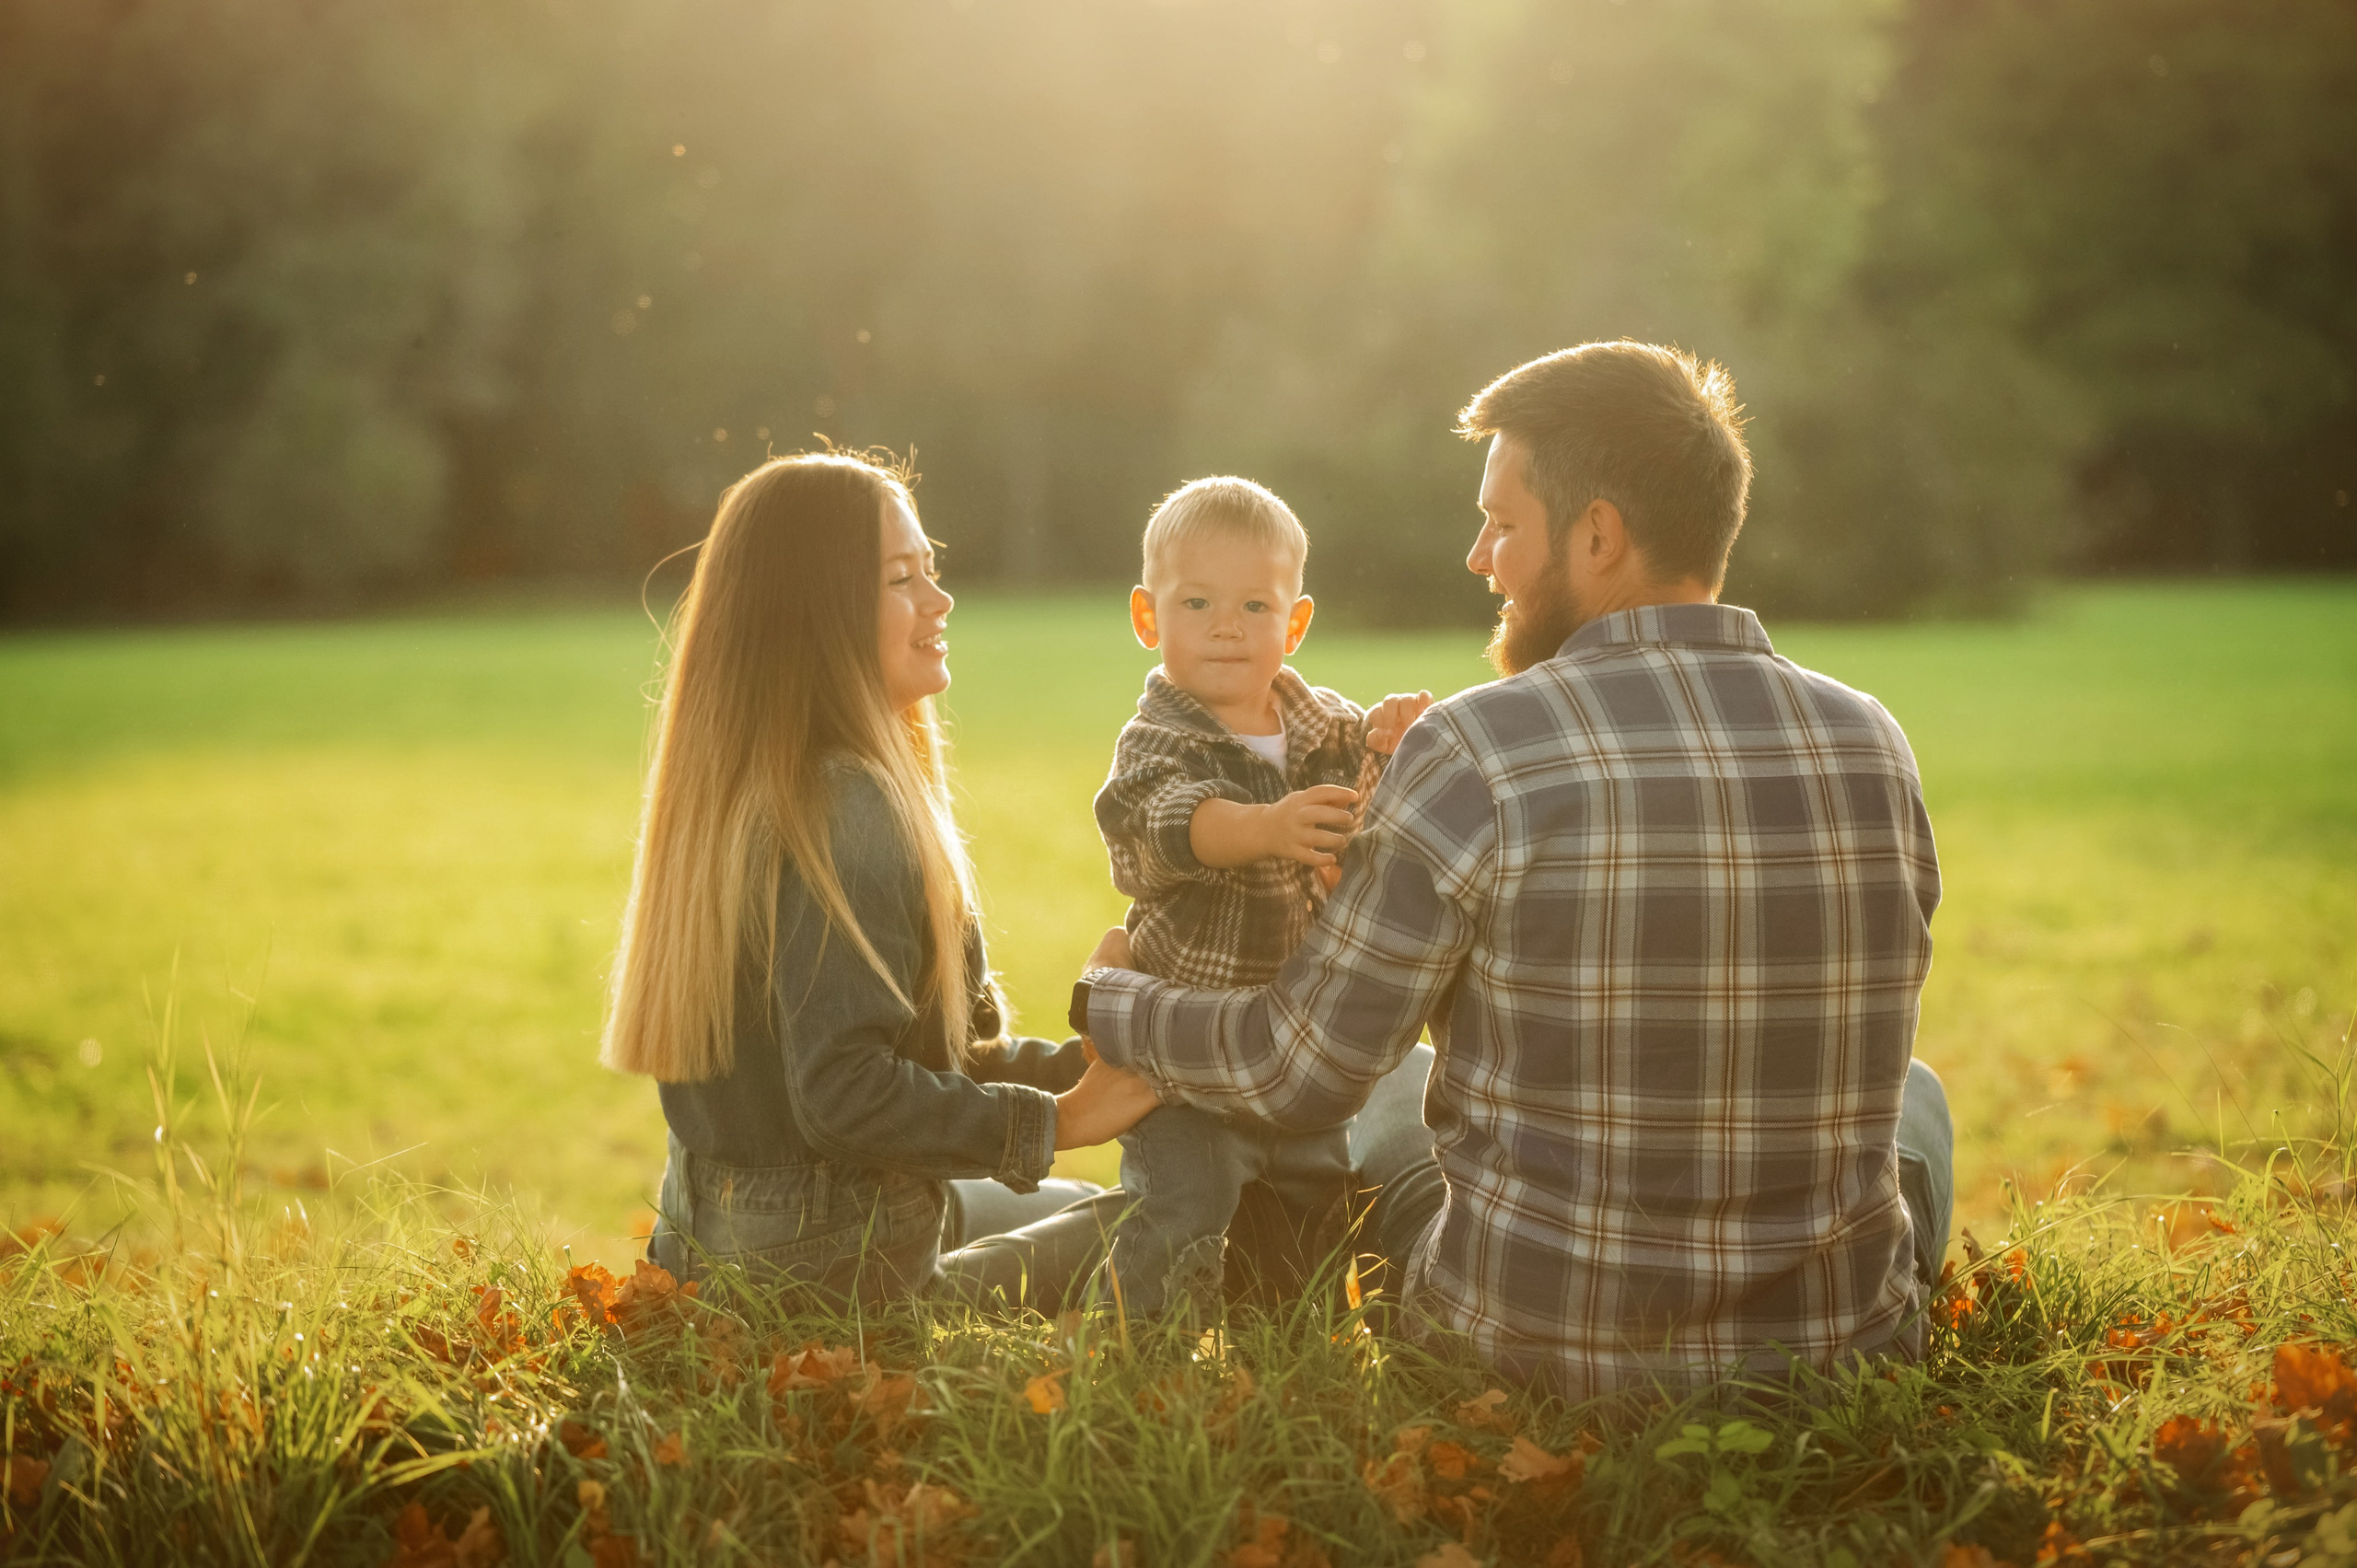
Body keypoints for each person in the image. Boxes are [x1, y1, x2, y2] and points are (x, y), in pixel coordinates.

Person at [1072, 343, 1955, 1398]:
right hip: (1836, 1359)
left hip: (1529, 1354)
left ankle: (1027, 1240)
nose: (1478, 556)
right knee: (1917, 1097)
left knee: (1392, 1089)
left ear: (1596, 535)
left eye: (1501, 523)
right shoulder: (1871, 741)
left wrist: (1111, 998)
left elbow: (1292, 1069)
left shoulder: (1477, 748)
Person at [601, 449, 1158, 1306]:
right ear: (815, 611)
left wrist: (1074, 1067)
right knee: (1156, 1222)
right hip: (833, 1276)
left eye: (929, 569)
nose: (940, 601)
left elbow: (915, 1065)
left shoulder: (749, 786)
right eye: (902, 578)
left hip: (714, 1244)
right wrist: (1067, 1121)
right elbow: (846, 1094)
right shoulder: (847, 801)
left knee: (1080, 1204)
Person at [1091, 476, 1432, 1318]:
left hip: (1296, 1048)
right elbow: (1163, 825)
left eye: (1253, 605)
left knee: (1307, 1222)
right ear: (1148, 618)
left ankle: (1288, 1356)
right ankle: (1136, 1361)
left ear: (1295, 622)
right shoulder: (1158, 738)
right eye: (1197, 601)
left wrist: (1391, 743)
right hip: (1184, 1057)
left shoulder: (1325, 726)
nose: (1225, 626)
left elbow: (1373, 817)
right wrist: (1263, 826)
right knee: (1183, 1210)